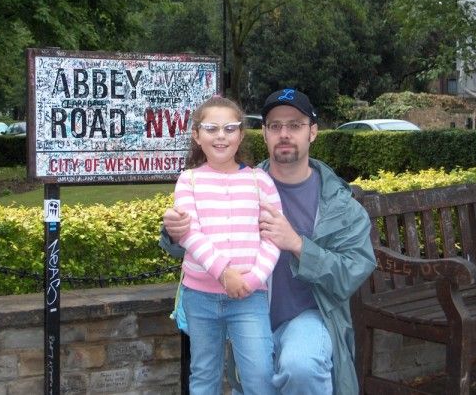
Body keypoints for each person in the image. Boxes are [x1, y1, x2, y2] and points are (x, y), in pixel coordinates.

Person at [160, 89, 376, 395]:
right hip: (244, 310)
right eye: (275, 126)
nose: (284, 134)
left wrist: (298, 245)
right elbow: (188, 238)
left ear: (313, 132)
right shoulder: (241, 179)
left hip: (306, 316)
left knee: (301, 366)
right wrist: (173, 230)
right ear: (263, 133)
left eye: (295, 125)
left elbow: (354, 270)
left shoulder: (340, 206)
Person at [172, 96, 282, 395]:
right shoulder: (188, 180)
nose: (221, 136)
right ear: (197, 135)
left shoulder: (261, 181)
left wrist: (252, 280)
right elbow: (189, 234)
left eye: (230, 128)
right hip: (200, 298)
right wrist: (224, 273)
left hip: (249, 296)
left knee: (260, 376)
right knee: (204, 375)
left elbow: (274, 237)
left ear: (241, 134)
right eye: (211, 128)